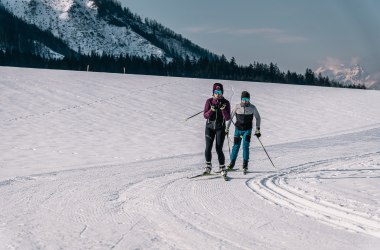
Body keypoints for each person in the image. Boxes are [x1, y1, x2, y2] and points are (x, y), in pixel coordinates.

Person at [226, 91, 261, 172]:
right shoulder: (237, 107)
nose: (244, 101)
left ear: (249, 99)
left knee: (245, 146)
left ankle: (245, 164)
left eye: (246, 99)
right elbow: (230, 118)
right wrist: (226, 129)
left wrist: (257, 129)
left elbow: (258, 118)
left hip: (247, 130)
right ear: (241, 99)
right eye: (243, 99)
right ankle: (232, 163)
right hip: (238, 130)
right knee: (236, 146)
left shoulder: (252, 107)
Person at [203, 83, 231, 176]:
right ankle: (208, 166)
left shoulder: (226, 102)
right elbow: (205, 115)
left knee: (219, 148)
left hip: (220, 128)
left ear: (222, 92)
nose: (218, 94)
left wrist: (223, 109)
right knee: (208, 148)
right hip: (209, 128)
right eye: (216, 92)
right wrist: (211, 110)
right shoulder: (209, 101)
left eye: (219, 92)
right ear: (213, 92)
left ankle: (222, 167)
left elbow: (227, 118)